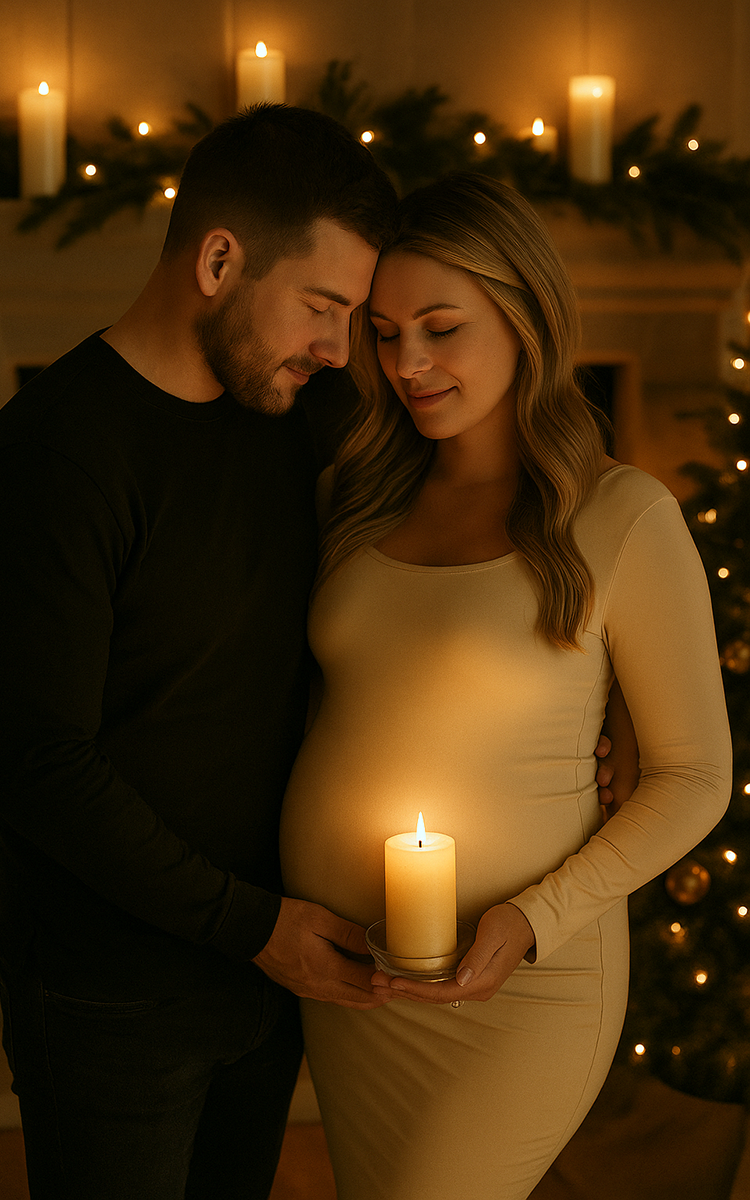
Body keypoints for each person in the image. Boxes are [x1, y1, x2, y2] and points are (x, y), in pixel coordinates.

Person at [0, 104, 399, 1200]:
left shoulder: (301, 412)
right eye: (322, 306)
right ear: (216, 259)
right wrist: (258, 929)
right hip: (111, 1003)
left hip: (266, 978)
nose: (339, 348)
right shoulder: (53, 453)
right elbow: (38, 765)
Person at [279, 172, 732, 1200]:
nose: (407, 364)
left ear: (525, 316)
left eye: (442, 328)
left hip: (525, 982)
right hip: (353, 977)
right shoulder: (350, 496)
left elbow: (694, 774)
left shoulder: (622, 516)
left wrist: (533, 918)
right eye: (385, 333)